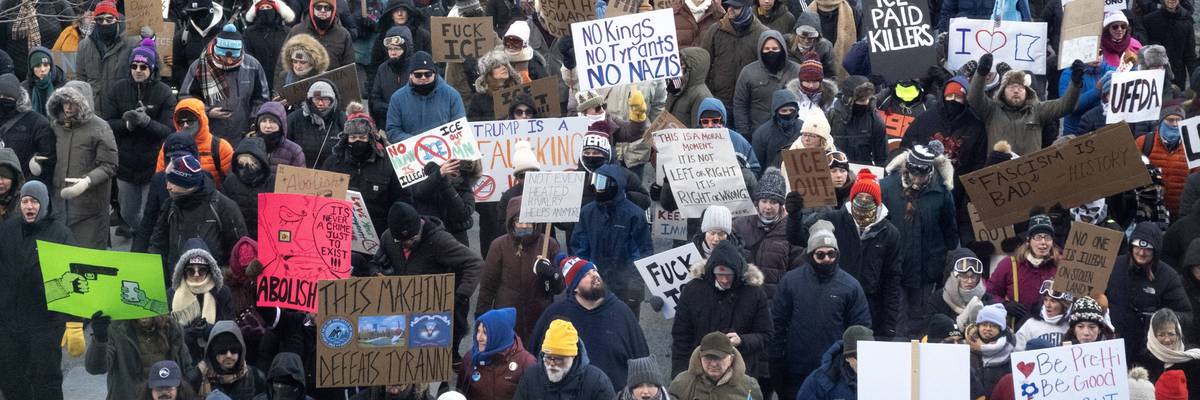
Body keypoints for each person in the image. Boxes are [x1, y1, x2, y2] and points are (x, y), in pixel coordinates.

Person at [789, 168, 903, 336]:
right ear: (852, 198)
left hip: (869, 308)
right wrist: (794, 215)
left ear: (877, 202)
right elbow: (799, 238)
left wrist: (890, 324)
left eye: (868, 198)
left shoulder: (890, 233)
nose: (863, 202)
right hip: (832, 302)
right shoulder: (832, 220)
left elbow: (892, 280)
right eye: (859, 197)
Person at [364, 202, 483, 363]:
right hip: (401, 310)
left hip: (432, 314)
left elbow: (474, 263)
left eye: (412, 239)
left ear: (419, 227)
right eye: (401, 241)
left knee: (429, 363)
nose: (407, 244)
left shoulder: (440, 240)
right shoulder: (388, 237)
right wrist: (375, 273)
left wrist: (459, 296)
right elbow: (375, 261)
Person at [769, 220, 871, 399]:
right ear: (810, 255)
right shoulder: (791, 281)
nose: (826, 259)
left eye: (831, 254)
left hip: (833, 371)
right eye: (820, 255)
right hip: (795, 369)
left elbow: (860, 328)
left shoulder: (850, 286)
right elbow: (777, 323)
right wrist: (776, 360)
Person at [528, 255, 650, 391]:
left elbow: (642, 361)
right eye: (586, 274)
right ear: (574, 287)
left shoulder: (622, 312)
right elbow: (534, 360)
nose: (594, 276)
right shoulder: (555, 315)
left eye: (594, 271)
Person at [0, 180, 71, 400]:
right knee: (11, 377)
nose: (29, 207)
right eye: (25, 201)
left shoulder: (60, 235)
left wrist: (72, 320)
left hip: (45, 324)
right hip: (9, 322)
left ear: (45, 204)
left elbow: (73, 280)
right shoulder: (8, 230)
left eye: (34, 202)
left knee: (46, 380)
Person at [880, 141, 957, 335]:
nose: (916, 178)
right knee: (896, 318)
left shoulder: (941, 191)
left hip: (927, 269)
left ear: (929, 171)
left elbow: (950, 231)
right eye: (913, 172)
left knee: (921, 318)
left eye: (921, 174)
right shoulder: (887, 188)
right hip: (894, 266)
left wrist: (946, 264)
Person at [672, 240, 771, 391]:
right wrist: (679, 375)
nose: (724, 280)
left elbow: (766, 334)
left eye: (729, 275)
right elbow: (681, 336)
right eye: (720, 274)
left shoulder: (754, 293)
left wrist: (742, 341)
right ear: (711, 272)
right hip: (700, 373)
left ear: (738, 272)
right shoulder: (692, 290)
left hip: (740, 375)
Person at [107, 38, 177, 238]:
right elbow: (108, 123)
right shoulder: (118, 89)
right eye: (134, 66)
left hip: (152, 163)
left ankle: (144, 243)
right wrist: (127, 124)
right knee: (128, 213)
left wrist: (146, 122)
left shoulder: (163, 92)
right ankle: (136, 233)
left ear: (152, 68)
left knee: (149, 212)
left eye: (143, 67)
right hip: (125, 163)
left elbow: (169, 130)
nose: (138, 70)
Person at [571, 163, 654, 318]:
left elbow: (642, 253)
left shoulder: (634, 215)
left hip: (624, 286)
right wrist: (582, 278)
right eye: (595, 182)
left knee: (625, 330)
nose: (598, 187)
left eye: (602, 183)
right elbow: (580, 248)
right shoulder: (588, 213)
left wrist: (634, 287)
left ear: (615, 184)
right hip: (595, 283)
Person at [476, 197, 562, 341]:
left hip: (540, 316)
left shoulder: (549, 244)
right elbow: (487, 286)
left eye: (528, 220)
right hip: (507, 317)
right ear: (511, 222)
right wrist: (481, 318)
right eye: (519, 221)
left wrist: (551, 274)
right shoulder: (499, 245)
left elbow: (560, 287)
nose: (524, 225)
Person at [1108, 222, 1193, 365]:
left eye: (1147, 249)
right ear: (1131, 246)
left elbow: (1186, 314)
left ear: (1156, 250)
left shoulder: (1168, 276)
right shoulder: (1113, 266)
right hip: (1114, 346)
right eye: (1138, 247)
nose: (1141, 253)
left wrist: (1162, 318)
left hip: (1149, 352)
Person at [46, 80, 117, 249]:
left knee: (88, 260)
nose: (68, 107)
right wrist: (38, 159)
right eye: (65, 102)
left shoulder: (100, 127)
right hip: (60, 204)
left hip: (90, 209)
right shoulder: (56, 125)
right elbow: (51, 155)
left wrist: (87, 181)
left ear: (83, 103)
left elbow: (110, 164)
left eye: (73, 103)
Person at [149, 155, 249, 272]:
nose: (168, 187)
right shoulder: (170, 205)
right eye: (168, 181)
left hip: (213, 283)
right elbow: (158, 244)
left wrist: (223, 278)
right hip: (177, 283)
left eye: (174, 182)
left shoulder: (224, 207)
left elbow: (240, 251)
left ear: (188, 184)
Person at [967, 53, 1082, 156]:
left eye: (1020, 88)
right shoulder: (992, 110)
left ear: (1027, 91)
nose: (1016, 91)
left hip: (1030, 174)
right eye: (1011, 87)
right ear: (1002, 91)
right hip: (999, 173)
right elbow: (973, 98)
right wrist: (981, 74)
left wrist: (1075, 84)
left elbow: (1065, 106)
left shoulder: (1038, 110)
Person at [320, 104, 408, 235]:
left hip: (380, 231)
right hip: (340, 231)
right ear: (346, 139)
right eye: (353, 138)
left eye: (362, 138)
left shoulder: (388, 164)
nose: (357, 142)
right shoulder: (333, 163)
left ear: (371, 139)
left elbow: (402, 199)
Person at [178, 24, 270, 145]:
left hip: (242, 136)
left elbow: (261, 98)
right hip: (208, 136)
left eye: (234, 57)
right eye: (224, 56)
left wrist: (254, 123)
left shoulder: (253, 65)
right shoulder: (199, 66)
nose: (229, 61)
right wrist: (207, 111)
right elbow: (186, 98)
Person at [86, 313, 195, 400]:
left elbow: (186, 370)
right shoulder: (116, 330)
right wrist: (100, 339)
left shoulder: (172, 328)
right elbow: (96, 368)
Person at [901, 75, 988, 177]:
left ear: (965, 99)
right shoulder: (925, 118)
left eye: (958, 97)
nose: (952, 100)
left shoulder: (975, 125)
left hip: (958, 185)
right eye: (949, 96)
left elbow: (979, 161)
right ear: (943, 96)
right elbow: (907, 145)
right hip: (924, 181)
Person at [733, 167, 799, 298]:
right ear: (757, 202)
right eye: (764, 201)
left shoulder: (790, 229)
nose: (768, 207)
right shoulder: (739, 225)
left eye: (773, 202)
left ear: (781, 204)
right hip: (744, 298)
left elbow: (797, 269)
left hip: (776, 301)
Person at [986, 212, 1060, 323]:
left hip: (1051, 327)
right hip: (1018, 327)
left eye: (1048, 238)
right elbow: (989, 294)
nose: (1043, 242)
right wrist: (1005, 305)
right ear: (1028, 240)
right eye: (1038, 237)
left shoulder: (1060, 266)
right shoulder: (1009, 265)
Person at [513, 319, 615, 399]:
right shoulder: (531, 377)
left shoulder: (597, 382)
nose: (552, 363)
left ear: (573, 357)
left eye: (558, 359)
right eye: (548, 357)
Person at [699, 0, 768, 108]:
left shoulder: (762, 34)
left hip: (750, 102)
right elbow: (702, 63)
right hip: (718, 100)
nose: (730, 9)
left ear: (746, 8)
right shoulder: (715, 30)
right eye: (728, 6)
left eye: (735, 7)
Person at [385, 51, 465, 142]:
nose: (423, 77)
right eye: (418, 75)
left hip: (445, 151)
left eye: (428, 74)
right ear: (410, 75)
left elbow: (460, 127)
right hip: (412, 151)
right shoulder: (397, 98)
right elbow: (392, 130)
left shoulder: (452, 95)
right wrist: (416, 142)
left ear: (434, 74)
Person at [457, 308, 536, 400]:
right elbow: (460, 395)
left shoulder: (526, 363)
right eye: (478, 331)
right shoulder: (470, 358)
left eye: (485, 333)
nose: (479, 338)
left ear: (500, 334)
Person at [154, 99, 235, 188]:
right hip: (177, 198)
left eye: (190, 121)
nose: (185, 125)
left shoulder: (220, 147)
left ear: (201, 120)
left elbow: (232, 183)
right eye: (180, 122)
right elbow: (160, 182)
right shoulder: (169, 146)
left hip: (210, 199)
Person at [733, 30, 801, 136]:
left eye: (775, 49)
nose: (771, 52)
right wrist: (744, 132)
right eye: (767, 49)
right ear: (761, 50)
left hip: (791, 133)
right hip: (758, 132)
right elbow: (740, 104)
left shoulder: (796, 70)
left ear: (782, 49)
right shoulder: (748, 72)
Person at [76, 0, 136, 117]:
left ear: (116, 19)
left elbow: (149, 68)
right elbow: (80, 79)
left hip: (122, 109)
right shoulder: (84, 45)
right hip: (94, 110)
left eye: (109, 19)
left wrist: (150, 40)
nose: (104, 23)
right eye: (100, 19)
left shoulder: (132, 43)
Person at [668, 331, 764, 400]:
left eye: (719, 358)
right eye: (708, 358)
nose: (713, 364)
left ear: (731, 358)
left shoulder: (749, 386)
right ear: (700, 357)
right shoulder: (682, 383)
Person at [1136, 106, 1195, 216]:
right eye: (1170, 120)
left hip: (1180, 212)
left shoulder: (1192, 147)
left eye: (1178, 120)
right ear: (1161, 121)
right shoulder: (1144, 142)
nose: (1175, 124)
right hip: (1150, 211)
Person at [169, 238, 235, 330]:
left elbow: (229, 328)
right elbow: (168, 332)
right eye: (190, 270)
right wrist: (187, 334)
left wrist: (209, 330)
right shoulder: (172, 294)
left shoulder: (222, 293)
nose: (196, 274)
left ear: (210, 270)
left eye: (202, 270)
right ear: (183, 271)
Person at [190, 320, 267, 399]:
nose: (228, 355)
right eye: (222, 351)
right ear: (213, 353)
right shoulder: (198, 378)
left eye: (234, 350)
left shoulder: (256, 377)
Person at [0, 73, 55, 182]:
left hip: (24, 189)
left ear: (18, 98)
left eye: (7, 97)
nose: (2, 99)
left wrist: (32, 183)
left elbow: (49, 159)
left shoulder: (37, 122)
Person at [796, 326, 873, 400]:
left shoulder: (883, 377)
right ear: (848, 358)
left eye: (870, 356)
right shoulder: (820, 380)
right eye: (859, 356)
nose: (865, 361)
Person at [827, 75, 886, 166]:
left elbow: (882, 156)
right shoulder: (831, 115)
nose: (866, 103)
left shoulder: (874, 120)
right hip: (836, 168)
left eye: (867, 99)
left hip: (864, 171)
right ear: (849, 100)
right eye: (861, 100)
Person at [928, 249, 993, 326]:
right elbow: (930, 327)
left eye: (973, 277)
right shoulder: (938, 299)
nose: (969, 281)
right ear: (953, 276)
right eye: (964, 276)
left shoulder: (987, 299)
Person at [288, 80, 344, 168]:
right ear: (310, 100)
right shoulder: (294, 119)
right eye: (316, 99)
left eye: (325, 99)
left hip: (332, 174)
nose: (320, 103)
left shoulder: (342, 119)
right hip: (299, 173)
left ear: (332, 100)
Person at [243, 0, 296, 93]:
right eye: (262, 8)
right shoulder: (249, 33)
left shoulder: (287, 32)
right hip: (257, 82)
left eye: (268, 7)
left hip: (282, 82)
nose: (265, 10)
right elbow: (247, 57)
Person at [1144, 308, 1200, 395]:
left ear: (1178, 333)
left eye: (1171, 334)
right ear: (1153, 336)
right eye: (1161, 335)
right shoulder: (1145, 359)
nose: (1167, 339)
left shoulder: (1193, 359)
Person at [172, 0, 227, 85]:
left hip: (222, 90)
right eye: (193, 15)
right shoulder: (182, 37)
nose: (198, 19)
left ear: (211, 11)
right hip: (192, 93)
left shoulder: (227, 35)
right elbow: (178, 67)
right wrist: (188, 86)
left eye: (202, 14)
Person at [287, 0, 354, 69]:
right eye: (318, 7)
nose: (322, 11)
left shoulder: (343, 35)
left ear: (333, 10)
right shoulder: (297, 31)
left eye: (327, 8)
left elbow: (349, 68)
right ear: (312, 8)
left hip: (333, 79)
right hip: (303, 78)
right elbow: (284, 66)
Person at [368, 26, 413, 124]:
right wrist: (390, 109)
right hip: (389, 122)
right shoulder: (383, 69)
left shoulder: (415, 68)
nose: (393, 53)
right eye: (390, 49)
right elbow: (375, 99)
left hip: (413, 122)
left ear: (407, 49)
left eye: (397, 49)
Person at [966, 304, 1015, 393]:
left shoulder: (1009, 354)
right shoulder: (965, 351)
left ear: (1000, 329)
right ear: (978, 326)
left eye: (993, 326)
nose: (988, 329)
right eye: (984, 324)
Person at [1014, 280, 1073, 350]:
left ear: (1064, 305)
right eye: (1045, 300)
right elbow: (1018, 353)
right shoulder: (1030, 325)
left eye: (1053, 301)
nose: (1047, 305)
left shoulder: (1072, 326)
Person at [751, 89, 801, 169]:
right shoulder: (762, 133)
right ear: (776, 112)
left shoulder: (803, 129)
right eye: (784, 111)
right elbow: (757, 164)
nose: (788, 113)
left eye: (791, 110)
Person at [249, 101, 305, 172]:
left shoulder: (294, 151)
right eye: (263, 121)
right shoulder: (249, 147)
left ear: (281, 124)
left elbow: (298, 180)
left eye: (272, 121)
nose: (268, 126)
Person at [666, 47, 714, 129]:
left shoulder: (702, 96)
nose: (678, 68)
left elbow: (698, 131)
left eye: (682, 64)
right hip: (673, 139)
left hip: (684, 140)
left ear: (691, 68)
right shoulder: (678, 88)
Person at [21, 47, 65, 118]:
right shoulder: (24, 88)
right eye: (37, 66)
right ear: (32, 69)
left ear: (51, 66)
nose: (42, 69)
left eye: (46, 65)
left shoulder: (63, 85)